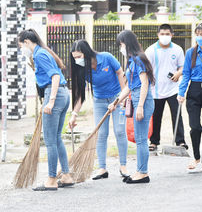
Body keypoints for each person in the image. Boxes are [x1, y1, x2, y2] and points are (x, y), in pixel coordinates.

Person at [18, 29, 74, 190]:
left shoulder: (39, 54)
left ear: (27, 42)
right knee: (56, 138)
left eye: (21, 45)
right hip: (63, 94)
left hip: (55, 94)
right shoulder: (43, 52)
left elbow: (55, 76)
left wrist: (50, 102)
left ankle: (51, 180)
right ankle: (66, 175)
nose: (22, 49)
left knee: (50, 140)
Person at [68, 40, 129, 180]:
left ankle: (123, 165)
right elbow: (80, 96)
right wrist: (74, 114)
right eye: (74, 58)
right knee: (101, 134)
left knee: (120, 131)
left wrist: (122, 97)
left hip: (116, 99)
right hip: (100, 101)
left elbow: (120, 73)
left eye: (79, 56)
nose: (77, 60)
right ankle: (102, 168)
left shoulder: (106, 57)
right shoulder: (82, 68)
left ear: (87, 52)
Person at [108, 30, 155, 184]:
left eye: (121, 44)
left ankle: (143, 173)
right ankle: (140, 170)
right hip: (135, 98)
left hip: (142, 100)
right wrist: (115, 102)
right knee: (140, 139)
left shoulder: (138, 59)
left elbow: (144, 83)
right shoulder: (132, 61)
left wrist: (140, 106)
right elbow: (129, 86)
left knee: (141, 139)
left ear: (128, 43)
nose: (120, 47)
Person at [177, 22, 202, 172]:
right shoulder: (191, 52)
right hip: (193, 90)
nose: (199, 37)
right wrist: (181, 93)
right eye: (197, 35)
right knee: (195, 127)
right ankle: (196, 157)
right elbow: (186, 74)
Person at [145, 24, 187, 151]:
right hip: (155, 90)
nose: (165, 36)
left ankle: (180, 141)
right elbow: (146, 69)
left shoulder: (178, 49)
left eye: (167, 34)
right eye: (162, 34)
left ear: (172, 35)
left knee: (177, 114)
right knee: (156, 116)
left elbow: (182, 67)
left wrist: (178, 74)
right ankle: (154, 141)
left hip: (173, 89)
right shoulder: (151, 50)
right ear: (158, 35)